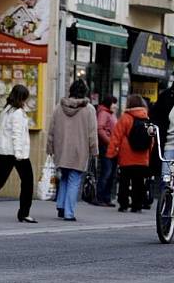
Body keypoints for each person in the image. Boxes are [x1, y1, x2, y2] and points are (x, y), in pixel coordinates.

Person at [0, 85, 35, 223]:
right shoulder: (17, 113)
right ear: (21, 98)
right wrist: (18, 153)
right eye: (24, 97)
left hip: (5, 151)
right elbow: (16, 134)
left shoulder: (7, 110)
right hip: (16, 152)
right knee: (28, 181)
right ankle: (24, 213)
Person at [46, 79, 98, 221]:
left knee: (64, 177)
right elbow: (92, 133)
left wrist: (50, 148)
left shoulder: (59, 107)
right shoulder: (89, 110)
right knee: (74, 179)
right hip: (79, 150)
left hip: (61, 148)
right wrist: (94, 151)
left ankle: (61, 206)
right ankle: (69, 213)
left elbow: (51, 129)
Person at [106, 95, 152, 213]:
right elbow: (151, 139)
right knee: (139, 182)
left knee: (124, 181)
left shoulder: (126, 117)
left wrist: (110, 154)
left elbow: (116, 136)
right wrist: (149, 153)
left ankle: (123, 204)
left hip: (127, 155)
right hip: (142, 156)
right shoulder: (146, 118)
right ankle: (137, 205)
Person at [95, 95, 118, 207]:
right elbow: (100, 129)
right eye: (114, 103)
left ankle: (107, 197)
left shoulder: (110, 113)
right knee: (107, 172)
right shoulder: (104, 113)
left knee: (111, 173)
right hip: (107, 146)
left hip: (113, 146)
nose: (116, 106)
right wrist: (109, 141)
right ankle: (100, 197)